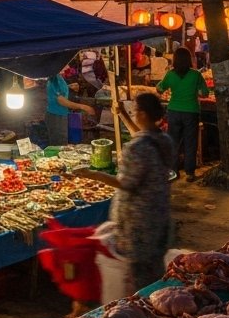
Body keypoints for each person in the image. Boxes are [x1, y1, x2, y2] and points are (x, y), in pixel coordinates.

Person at [76, 93, 175, 291]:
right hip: (160, 215)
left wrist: (91, 174)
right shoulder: (163, 139)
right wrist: (122, 114)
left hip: (138, 222)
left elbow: (124, 183)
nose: (133, 113)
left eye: (135, 110)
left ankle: (143, 311)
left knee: (139, 276)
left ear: (144, 114)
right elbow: (140, 136)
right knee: (155, 269)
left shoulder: (137, 149)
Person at [157, 48, 206, 182]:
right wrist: (196, 91)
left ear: (175, 60)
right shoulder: (196, 75)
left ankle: (174, 171)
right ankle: (190, 173)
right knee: (191, 142)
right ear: (190, 59)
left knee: (173, 142)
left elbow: (159, 88)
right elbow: (205, 93)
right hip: (191, 112)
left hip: (174, 111)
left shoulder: (170, 74)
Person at [45, 66, 95, 146]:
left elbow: (57, 91)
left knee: (66, 141)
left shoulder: (58, 77)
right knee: (59, 144)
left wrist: (68, 87)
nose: (68, 67)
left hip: (63, 113)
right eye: (65, 64)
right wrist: (84, 107)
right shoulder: (53, 79)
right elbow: (61, 101)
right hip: (56, 116)